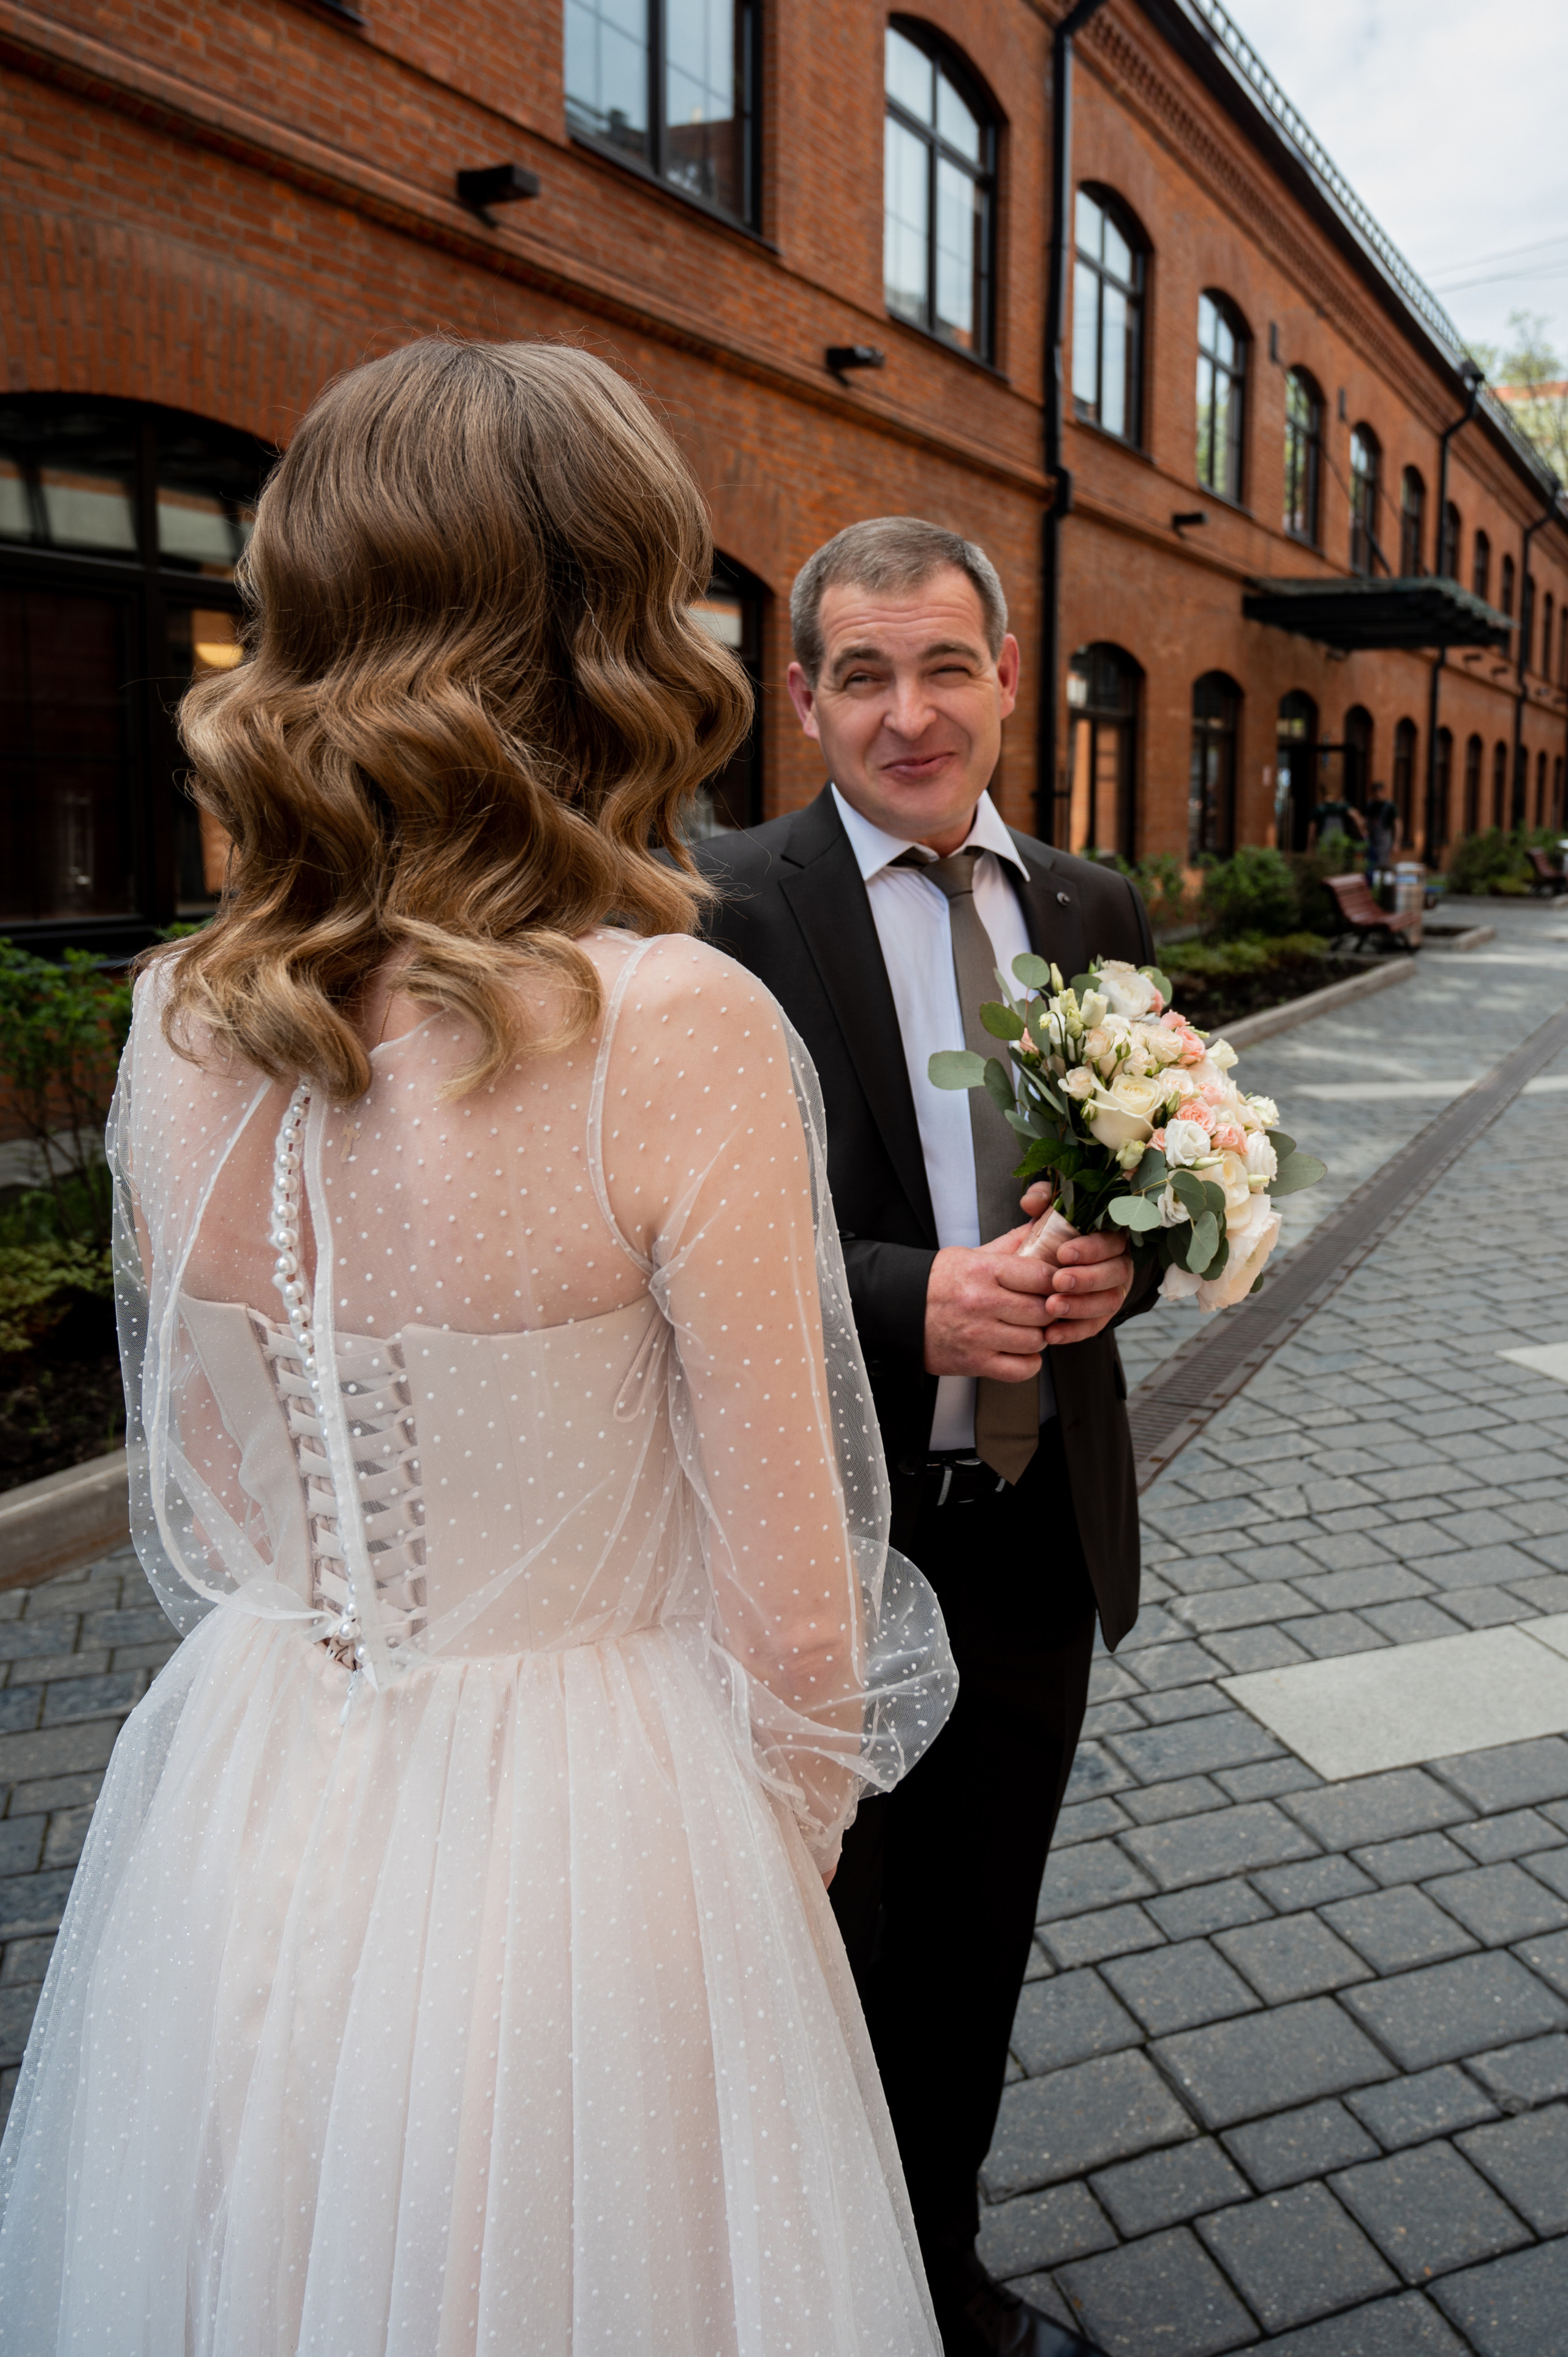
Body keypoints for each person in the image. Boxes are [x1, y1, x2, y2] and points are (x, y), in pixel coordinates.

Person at [0, 346, 960, 2355]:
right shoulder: (668, 1022)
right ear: (614, 630)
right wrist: (732, 1896)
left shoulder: (182, 1009)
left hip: (254, 1793)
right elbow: (803, 1628)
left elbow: (221, 1470)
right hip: (601, 1832)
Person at [692, 518, 1157, 2357]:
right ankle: (802, 2299)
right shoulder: (713, 910)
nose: (909, 713)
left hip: (1034, 1530)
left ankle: (936, 2285)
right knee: (817, 1961)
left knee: (969, 1958)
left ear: (1006, 674)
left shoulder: (1095, 907)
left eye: (944, 666)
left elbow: (1144, 1177)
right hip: (818, 1540)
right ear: (798, 695)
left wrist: (1134, 1257)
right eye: (862, 675)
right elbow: (670, 1241)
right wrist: (906, 1297)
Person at [1362, 782, 1399, 883]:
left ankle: (1383, 886)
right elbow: (1365, 821)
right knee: (1370, 865)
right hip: (1371, 839)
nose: (1378, 794)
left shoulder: (1389, 806)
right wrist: (1364, 832)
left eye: (1380, 792)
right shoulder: (1370, 805)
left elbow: (1397, 824)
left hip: (1384, 840)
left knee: (1382, 865)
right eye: (1375, 792)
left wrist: (1396, 842)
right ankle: (1372, 886)